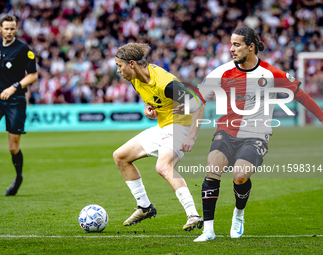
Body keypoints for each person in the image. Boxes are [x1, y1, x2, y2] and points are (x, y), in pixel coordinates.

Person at [174, 27, 323, 241]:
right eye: (231, 44)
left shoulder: (272, 74)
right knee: (212, 168)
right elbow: (199, 97)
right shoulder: (222, 72)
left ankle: (239, 213)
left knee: (240, 176)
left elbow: (301, 95)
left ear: (250, 47)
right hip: (226, 131)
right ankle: (208, 230)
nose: (231, 49)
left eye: (236, 45)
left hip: (256, 134)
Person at [113, 43, 204, 231]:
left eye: (119, 66)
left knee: (163, 166)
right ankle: (145, 207)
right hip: (163, 126)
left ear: (131, 64)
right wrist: (148, 108)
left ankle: (193, 214)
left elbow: (199, 104)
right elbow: (151, 99)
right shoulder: (135, 79)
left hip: (181, 127)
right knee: (120, 156)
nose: (118, 70)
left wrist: (191, 138)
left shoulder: (166, 83)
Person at [0, 15, 38, 196]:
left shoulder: (23, 49)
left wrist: (14, 87)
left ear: (16, 29)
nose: (9, 32)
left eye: (12, 28)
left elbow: (32, 75)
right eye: (6, 28)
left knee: (13, 147)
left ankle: (18, 177)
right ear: (0, 29)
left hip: (16, 101)